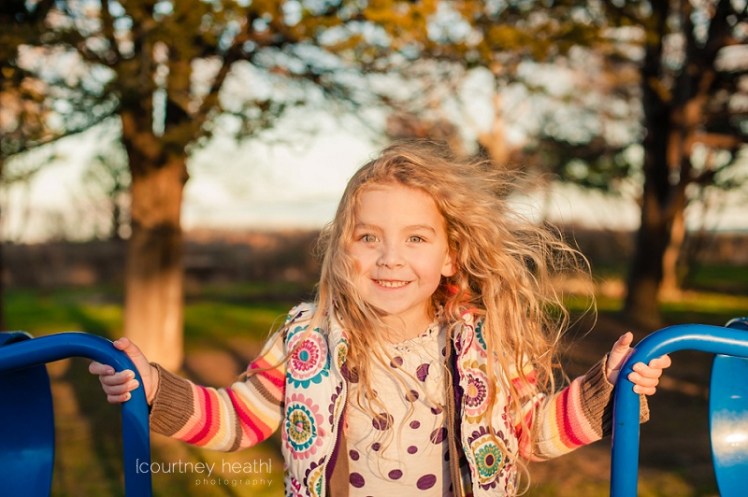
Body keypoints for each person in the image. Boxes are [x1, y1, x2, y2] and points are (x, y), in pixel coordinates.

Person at [90, 140, 671, 497]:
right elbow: (239, 419)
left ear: (449, 255)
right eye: (369, 237)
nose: (390, 258)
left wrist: (606, 391)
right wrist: (154, 388)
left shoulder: (482, 343)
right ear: (344, 249)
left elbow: (530, 433)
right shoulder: (307, 337)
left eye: (415, 238)